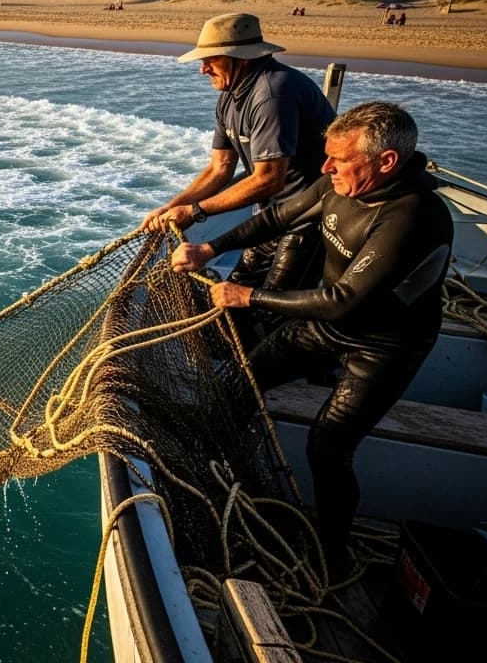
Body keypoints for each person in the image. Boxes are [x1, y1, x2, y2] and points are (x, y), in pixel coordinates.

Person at [170, 102, 453, 580]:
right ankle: (212, 482)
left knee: (328, 448)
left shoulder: (414, 216)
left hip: (384, 345)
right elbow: (277, 218)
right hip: (328, 323)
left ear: (386, 161)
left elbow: (345, 300)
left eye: (339, 160)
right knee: (241, 381)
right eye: (327, 157)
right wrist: (210, 247)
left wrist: (248, 296)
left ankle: (333, 556)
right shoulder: (338, 185)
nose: (325, 169)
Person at [142, 12, 336, 311]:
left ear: (241, 59)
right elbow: (219, 168)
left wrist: (195, 211)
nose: (203, 69)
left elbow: (269, 178)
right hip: (269, 216)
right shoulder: (230, 95)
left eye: (211, 60)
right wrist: (172, 207)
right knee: (236, 292)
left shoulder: (273, 94)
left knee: (273, 306)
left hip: (307, 217)